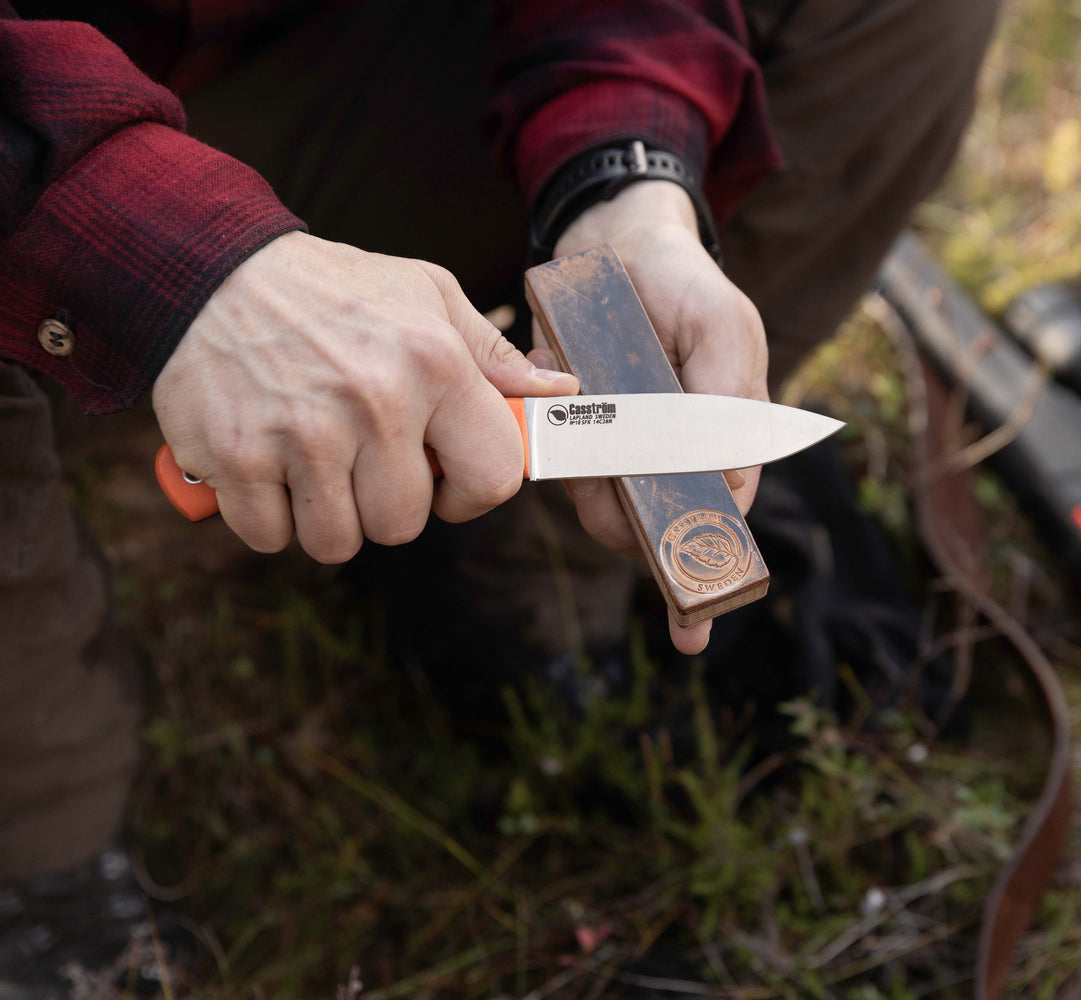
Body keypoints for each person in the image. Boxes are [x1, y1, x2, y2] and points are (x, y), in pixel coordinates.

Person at [0, 0, 1000, 991]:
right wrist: (185, 261)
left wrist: (624, 176)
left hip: (293, 76)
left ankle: (501, 567)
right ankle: (42, 851)